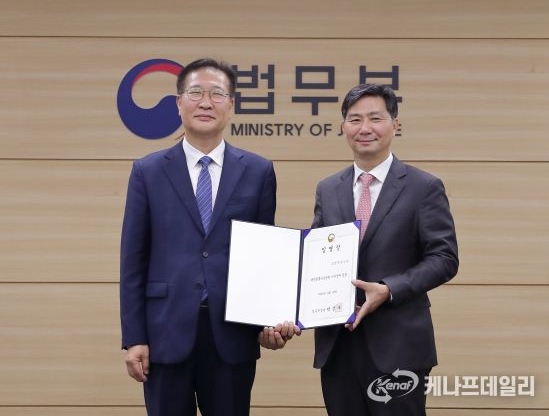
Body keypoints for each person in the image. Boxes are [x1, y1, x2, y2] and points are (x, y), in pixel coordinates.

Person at [120, 58, 299, 416]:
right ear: (178, 103)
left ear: (231, 105)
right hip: (165, 332)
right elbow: (133, 262)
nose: (206, 102)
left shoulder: (258, 171)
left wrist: (268, 319)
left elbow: (264, 257)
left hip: (231, 334)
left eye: (217, 94)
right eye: (195, 93)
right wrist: (134, 337)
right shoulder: (148, 171)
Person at [311, 83, 459, 415]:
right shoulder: (328, 189)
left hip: (399, 346)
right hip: (338, 346)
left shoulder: (423, 187)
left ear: (395, 124)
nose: (365, 128)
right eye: (355, 119)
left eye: (375, 118)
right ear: (343, 127)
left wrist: (388, 289)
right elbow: (316, 259)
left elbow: (444, 258)